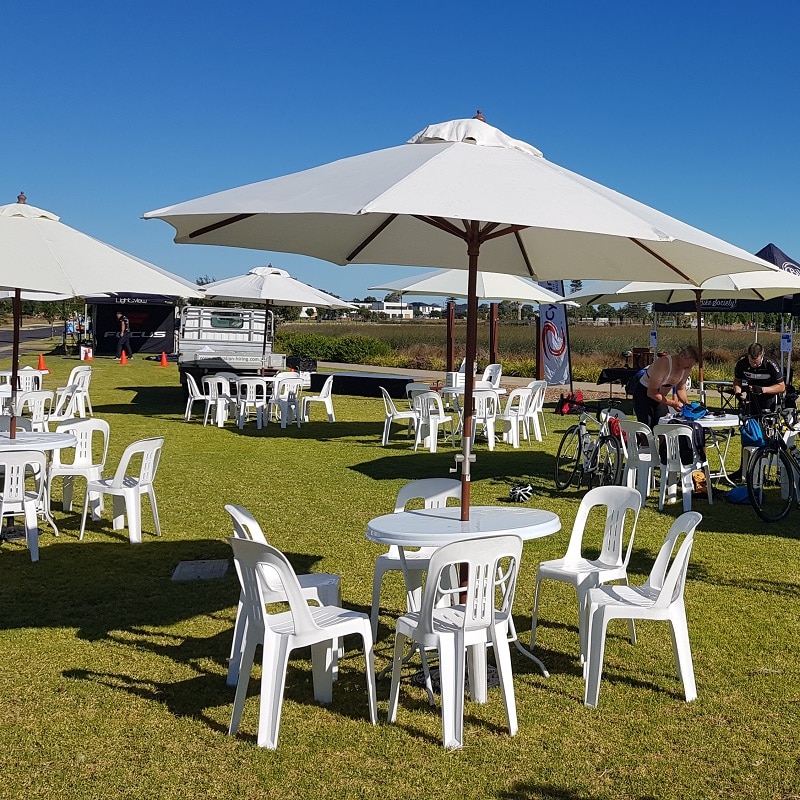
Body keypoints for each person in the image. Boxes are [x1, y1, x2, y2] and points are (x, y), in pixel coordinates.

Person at [632, 346, 699, 428]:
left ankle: (662, 440)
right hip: (644, 393)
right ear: (682, 356)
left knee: (663, 423)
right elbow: (651, 393)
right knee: (647, 424)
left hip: (660, 396)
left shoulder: (686, 368)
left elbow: (681, 388)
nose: (689, 368)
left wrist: (686, 404)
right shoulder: (664, 363)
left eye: (691, 366)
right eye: (688, 365)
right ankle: (642, 440)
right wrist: (673, 403)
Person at [733, 343, 784, 415]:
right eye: (751, 362)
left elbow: (781, 387)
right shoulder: (742, 363)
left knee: (765, 422)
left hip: (768, 398)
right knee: (749, 421)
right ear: (748, 356)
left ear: (762, 356)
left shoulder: (770, 364)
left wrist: (762, 389)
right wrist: (738, 394)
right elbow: (737, 381)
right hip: (751, 397)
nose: (754, 365)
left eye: (757, 363)